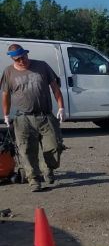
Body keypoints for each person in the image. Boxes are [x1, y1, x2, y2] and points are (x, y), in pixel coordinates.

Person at [1, 44, 65, 191]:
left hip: (45, 115)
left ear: (26, 54)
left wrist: (61, 107)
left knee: (54, 146)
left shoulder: (42, 66)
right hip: (23, 118)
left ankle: (48, 168)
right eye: (17, 59)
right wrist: (6, 114)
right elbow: (5, 95)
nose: (22, 61)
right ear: (12, 59)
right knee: (27, 150)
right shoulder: (8, 72)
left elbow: (55, 88)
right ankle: (34, 180)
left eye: (23, 57)